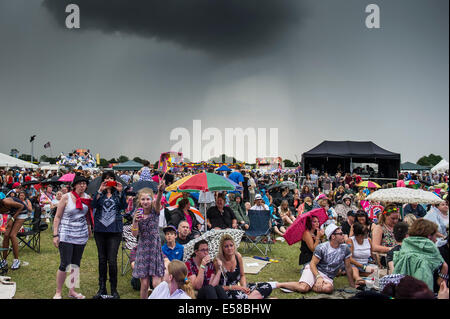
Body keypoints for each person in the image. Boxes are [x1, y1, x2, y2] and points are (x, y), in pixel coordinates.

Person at [276, 224, 355, 294]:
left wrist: (352, 286)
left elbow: (348, 267)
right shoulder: (322, 247)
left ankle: (308, 285)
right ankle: (278, 284)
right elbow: (312, 264)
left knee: (328, 289)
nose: (343, 235)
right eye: (340, 234)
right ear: (333, 236)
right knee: (303, 288)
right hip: (314, 270)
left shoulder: (345, 249)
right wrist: (318, 277)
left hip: (328, 276)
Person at [52, 176, 93, 299]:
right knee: (65, 263)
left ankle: (72, 291)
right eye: (80, 183)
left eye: (84, 184)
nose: (82, 186)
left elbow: (87, 216)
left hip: (80, 234)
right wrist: (55, 234)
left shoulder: (87, 198)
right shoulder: (66, 197)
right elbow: (57, 217)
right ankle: (58, 292)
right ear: (74, 185)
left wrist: (89, 228)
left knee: (75, 264)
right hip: (66, 233)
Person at [91, 171, 127, 299]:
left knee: (112, 260)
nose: (109, 180)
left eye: (111, 178)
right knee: (102, 260)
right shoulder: (98, 193)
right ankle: (102, 288)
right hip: (100, 230)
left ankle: (113, 288)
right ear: (103, 181)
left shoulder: (118, 193)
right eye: (106, 178)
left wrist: (121, 192)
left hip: (115, 230)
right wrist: (100, 191)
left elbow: (124, 207)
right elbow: (93, 205)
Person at [131, 180, 166, 299]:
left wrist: (160, 191)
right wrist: (135, 221)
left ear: (152, 200)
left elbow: (158, 203)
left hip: (154, 249)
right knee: (145, 284)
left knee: (156, 283)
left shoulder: (155, 212)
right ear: (139, 201)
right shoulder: (137, 214)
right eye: (143, 199)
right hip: (143, 250)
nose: (145, 202)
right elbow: (134, 234)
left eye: (148, 199)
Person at [393, 218, 448, 291]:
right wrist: (444, 269)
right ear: (429, 236)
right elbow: (440, 285)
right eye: (435, 236)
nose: (436, 240)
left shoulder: (403, 251)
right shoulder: (428, 259)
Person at [217, 234, 273, 299]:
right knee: (237, 296)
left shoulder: (238, 256)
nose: (229, 248)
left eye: (231, 245)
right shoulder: (218, 261)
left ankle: (248, 297)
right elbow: (217, 287)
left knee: (267, 286)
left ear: (234, 246)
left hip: (239, 287)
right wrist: (235, 288)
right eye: (226, 246)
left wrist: (244, 288)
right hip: (227, 291)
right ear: (222, 248)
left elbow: (242, 275)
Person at [0, 195, 26, 270]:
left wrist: (12, 219)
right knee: (6, 235)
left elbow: (21, 206)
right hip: (12, 213)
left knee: (12, 235)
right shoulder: (3, 207)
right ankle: (4, 260)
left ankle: (16, 260)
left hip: (22, 212)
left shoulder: (6, 202)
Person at [347, 222, 375, 287]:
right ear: (359, 235)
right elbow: (350, 258)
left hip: (366, 263)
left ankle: (362, 274)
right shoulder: (350, 240)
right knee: (354, 268)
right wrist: (362, 266)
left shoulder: (368, 240)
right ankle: (358, 278)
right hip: (354, 263)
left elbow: (372, 254)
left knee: (374, 271)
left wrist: (376, 263)